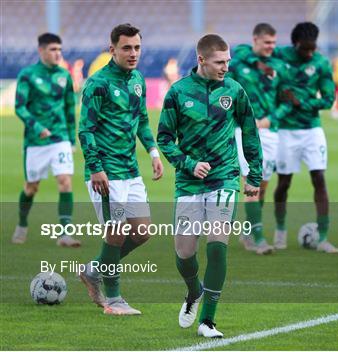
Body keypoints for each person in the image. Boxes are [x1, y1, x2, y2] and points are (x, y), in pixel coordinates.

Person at [157, 34, 262, 337]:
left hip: (225, 177)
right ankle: (193, 291)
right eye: (220, 62)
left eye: (228, 61)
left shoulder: (234, 90)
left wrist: (253, 175)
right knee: (184, 254)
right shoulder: (178, 92)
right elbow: (164, 138)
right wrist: (188, 163)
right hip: (189, 184)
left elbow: (251, 133)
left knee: (217, 246)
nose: (226, 67)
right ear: (201, 59)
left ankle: (208, 321)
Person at [78, 23, 164, 315]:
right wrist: (95, 168)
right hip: (105, 172)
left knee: (141, 233)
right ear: (112, 49)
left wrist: (153, 152)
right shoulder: (97, 84)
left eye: (137, 47)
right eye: (127, 47)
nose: (133, 53)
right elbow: (85, 130)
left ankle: (93, 270)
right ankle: (113, 301)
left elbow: (141, 119)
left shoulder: (138, 79)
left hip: (130, 171)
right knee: (115, 233)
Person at [234, 22, 338, 253]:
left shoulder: (316, 63)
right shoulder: (278, 55)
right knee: (279, 183)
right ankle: (269, 232)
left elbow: (327, 99)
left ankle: (322, 237)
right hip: (281, 131)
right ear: (294, 44)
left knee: (316, 178)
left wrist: (300, 104)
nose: (309, 53)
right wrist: (258, 63)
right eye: (305, 49)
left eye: (313, 48)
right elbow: (240, 50)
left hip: (303, 128)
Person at [228, 23, 292, 255]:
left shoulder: (278, 67)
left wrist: (269, 120)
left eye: (274, 43)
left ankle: (248, 230)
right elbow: (224, 93)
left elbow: (287, 101)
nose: (271, 47)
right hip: (243, 132)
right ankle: (259, 238)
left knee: (262, 186)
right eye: (267, 43)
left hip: (270, 132)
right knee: (251, 184)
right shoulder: (237, 64)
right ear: (255, 40)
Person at [12, 33, 80, 248]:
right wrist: (37, 126)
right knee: (32, 187)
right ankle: (22, 224)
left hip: (59, 138)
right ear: (41, 50)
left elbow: (70, 107)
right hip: (35, 141)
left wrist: (71, 139)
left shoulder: (64, 75)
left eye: (59, 49)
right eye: (52, 49)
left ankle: (65, 234)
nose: (57, 53)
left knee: (65, 181)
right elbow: (20, 107)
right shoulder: (28, 75)